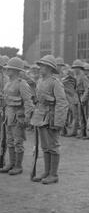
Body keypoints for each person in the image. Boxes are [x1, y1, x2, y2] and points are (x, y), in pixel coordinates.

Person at [31, 55, 68, 184]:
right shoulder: (40, 81)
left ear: (49, 68)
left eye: (43, 66)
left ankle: (54, 174)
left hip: (51, 118)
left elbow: (62, 103)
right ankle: (47, 172)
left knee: (53, 146)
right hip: (41, 117)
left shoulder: (55, 82)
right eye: (40, 65)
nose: (40, 68)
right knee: (45, 146)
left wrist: (58, 122)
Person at [0, 57, 34, 175]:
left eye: (10, 68)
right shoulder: (8, 83)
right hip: (8, 116)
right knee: (9, 140)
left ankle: (18, 166)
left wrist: (27, 117)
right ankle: (11, 163)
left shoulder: (22, 84)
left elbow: (28, 101)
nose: (7, 70)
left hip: (18, 116)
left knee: (18, 141)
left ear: (15, 70)